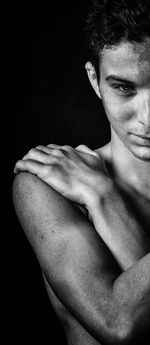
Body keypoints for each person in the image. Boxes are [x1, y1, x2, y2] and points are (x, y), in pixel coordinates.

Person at [12, 0, 150, 344]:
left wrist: (104, 197)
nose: (147, 118)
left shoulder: (90, 188)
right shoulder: (47, 185)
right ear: (95, 80)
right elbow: (120, 324)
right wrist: (99, 191)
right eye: (124, 88)